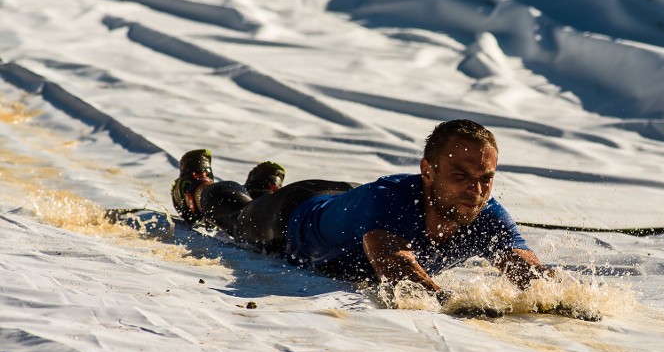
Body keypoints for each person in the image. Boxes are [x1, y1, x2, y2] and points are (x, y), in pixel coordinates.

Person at [171, 119, 550, 303]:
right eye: (460, 176)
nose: (476, 190)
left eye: (486, 178)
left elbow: (528, 270)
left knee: (257, 202)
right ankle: (196, 186)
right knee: (238, 216)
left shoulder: (485, 212)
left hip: (342, 199)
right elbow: (398, 271)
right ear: (427, 171)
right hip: (290, 217)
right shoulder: (391, 201)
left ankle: (264, 188)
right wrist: (457, 303)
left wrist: (558, 295)